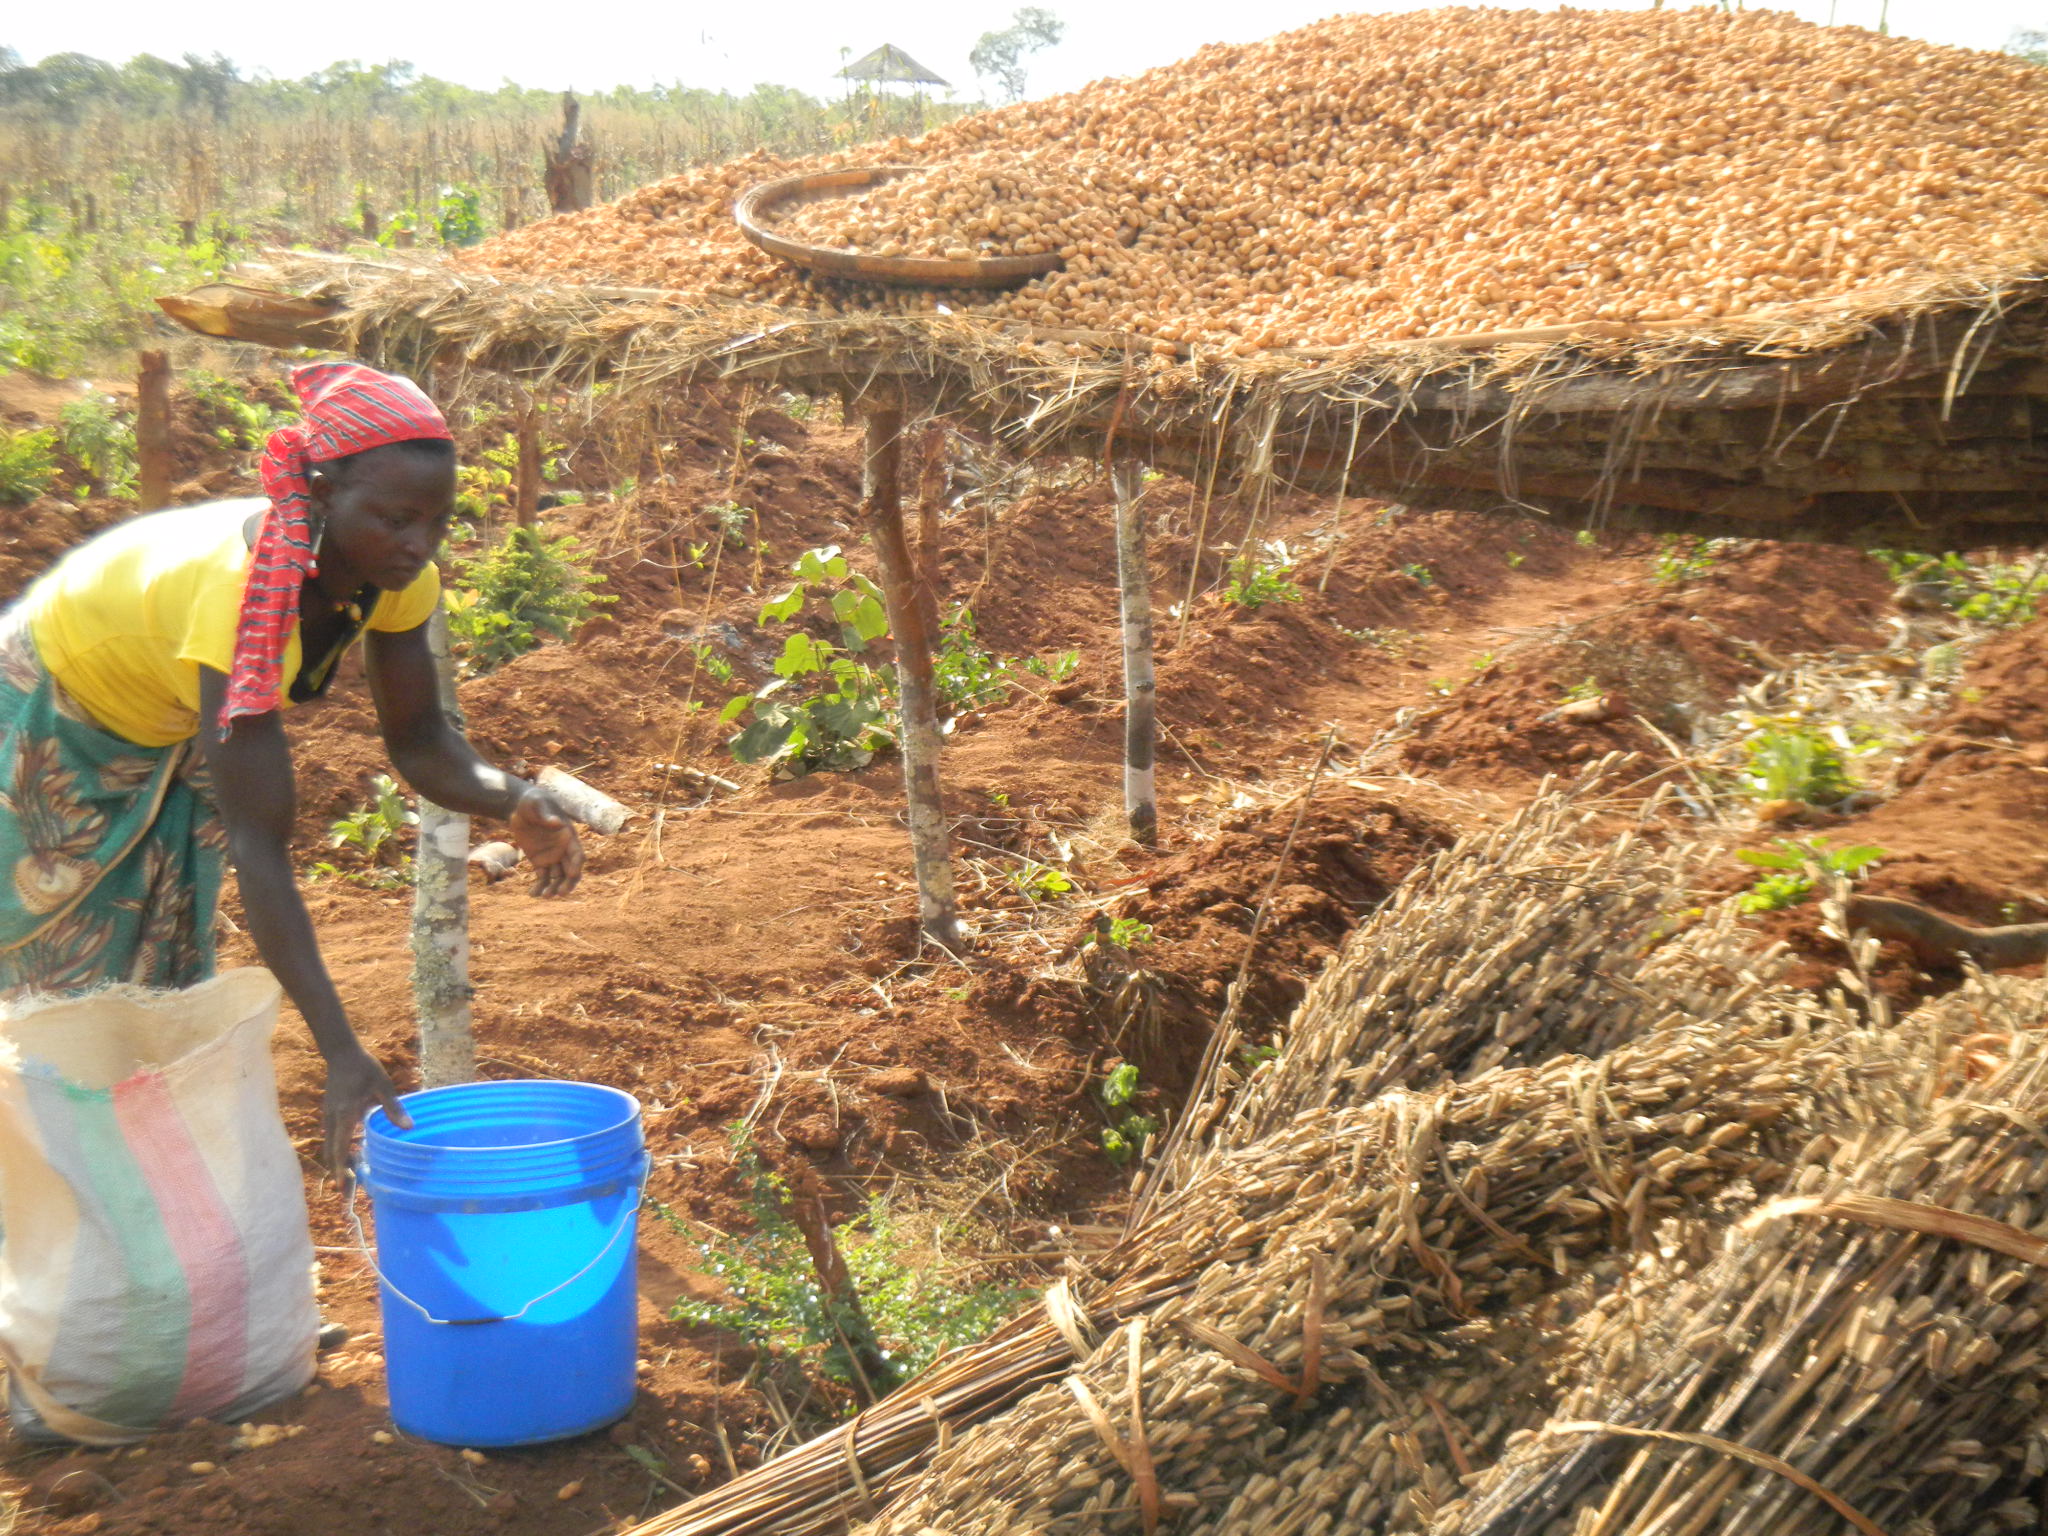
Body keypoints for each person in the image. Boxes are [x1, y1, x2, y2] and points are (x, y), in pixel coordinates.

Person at [0, 362, 583, 1174]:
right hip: (56, 704)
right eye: (395, 519)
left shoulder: (396, 578)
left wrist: (513, 799)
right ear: (320, 493)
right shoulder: (245, 597)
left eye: (438, 523)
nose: (419, 544)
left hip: (169, 719)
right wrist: (340, 1050)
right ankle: (43, 1210)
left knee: (154, 982)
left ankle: (131, 1205)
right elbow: (260, 847)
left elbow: (418, 741)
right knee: (54, 988)